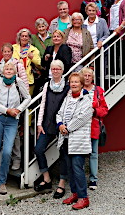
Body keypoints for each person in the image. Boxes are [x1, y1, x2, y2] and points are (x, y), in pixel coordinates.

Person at [0, 62, 31, 195]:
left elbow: (28, 98)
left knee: (7, 151)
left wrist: (18, 110)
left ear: (15, 71)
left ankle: (2, 182)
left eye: (11, 69)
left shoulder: (18, 82)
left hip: (12, 121)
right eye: (6, 68)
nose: (8, 70)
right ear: (2, 71)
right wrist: (7, 110)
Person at [34, 60, 70, 197]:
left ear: (62, 70)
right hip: (47, 124)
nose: (55, 71)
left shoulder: (67, 87)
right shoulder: (46, 85)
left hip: (60, 125)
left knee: (63, 154)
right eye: (53, 69)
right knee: (38, 149)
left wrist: (65, 125)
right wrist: (39, 124)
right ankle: (47, 179)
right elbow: (42, 105)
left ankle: (61, 184)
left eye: (58, 69)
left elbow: (67, 108)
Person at [57, 72, 93, 210]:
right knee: (70, 169)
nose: (73, 84)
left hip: (78, 141)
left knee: (78, 168)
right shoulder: (67, 98)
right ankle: (75, 193)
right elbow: (59, 113)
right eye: (71, 82)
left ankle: (84, 198)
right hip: (65, 140)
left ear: (82, 84)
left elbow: (82, 118)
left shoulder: (87, 100)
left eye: (76, 82)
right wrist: (60, 124)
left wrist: (67, 128)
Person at [80, 68, 109, 191]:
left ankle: (93, 179)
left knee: (93, 154)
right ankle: (79, 178)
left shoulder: (98, 91)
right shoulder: (77, 89)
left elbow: (105, 109)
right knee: (79, 154)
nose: (87, 77)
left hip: (94, 126)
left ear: (92, 78)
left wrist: (95, 111)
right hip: (79, 127)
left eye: (89, 75)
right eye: (85, 75)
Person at [12, 28, 41, 96]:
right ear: (19, 37)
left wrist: (32, 58)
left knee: (27, 99)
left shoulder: (33, 49)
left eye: (26, 36)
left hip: (28, 80)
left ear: (29, 38)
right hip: (14, 79)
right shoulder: (13, 48)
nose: (24, 38)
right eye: (22, 36)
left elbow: (39, 63)